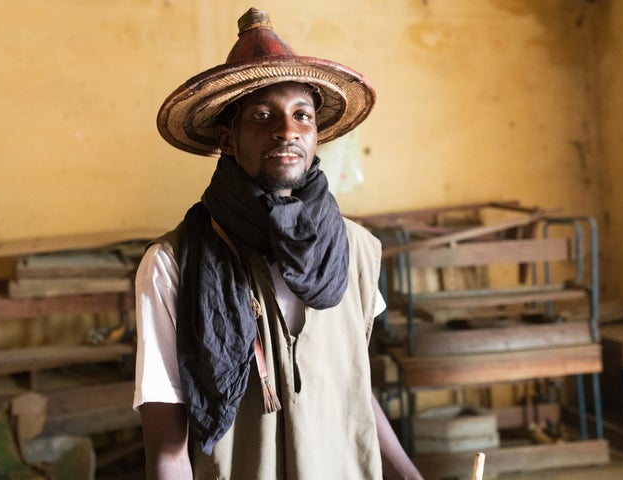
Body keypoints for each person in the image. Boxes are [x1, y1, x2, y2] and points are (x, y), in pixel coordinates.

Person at [133, 7, 424, 480]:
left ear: (316, 135)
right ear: (227, 140)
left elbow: (350, 386)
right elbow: (167, 452)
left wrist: (409, 475)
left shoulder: (358, 251)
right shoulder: (174, 264)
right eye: (263, 115)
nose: (286, 130)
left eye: (302, 115)